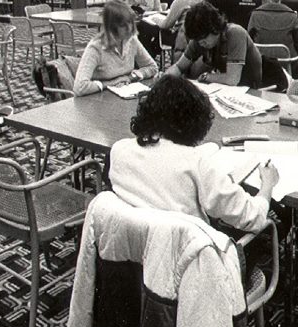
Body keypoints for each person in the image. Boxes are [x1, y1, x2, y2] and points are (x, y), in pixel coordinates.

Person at [108, 74, 277, 233]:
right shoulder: (197, 164)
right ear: (192, 122)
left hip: (131, 250)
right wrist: (267, 184)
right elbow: (252, 218)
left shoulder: (119, 150)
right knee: (271, 227)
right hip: (187, 254)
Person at [165, 2, 263, 88]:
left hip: (251, 89)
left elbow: (232, 79)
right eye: (197, 40)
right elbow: (179, 67)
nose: (201, 43)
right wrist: (165, 79)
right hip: (228, 90)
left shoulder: (236, 33)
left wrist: (207, 77)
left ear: (215, 28)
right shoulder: (199, 39)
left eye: (203, 39)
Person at [73, 1, 159, 96]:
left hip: (124, 96)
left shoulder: (132, 40)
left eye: (130, 22)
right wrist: (112, 83)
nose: (129, 28)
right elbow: (79, 87)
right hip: (98, 100)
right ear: (111, 27)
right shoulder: (95, 48)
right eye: (123, 25)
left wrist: (132, 77)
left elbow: (153, 67)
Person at [247, 0, 298, 78]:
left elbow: (249, 41)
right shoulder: (292, 15)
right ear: (279, 2)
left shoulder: (255, 15)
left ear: (262, 3)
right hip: (288, 63)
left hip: (262, 63)